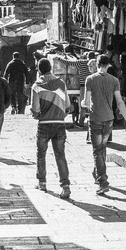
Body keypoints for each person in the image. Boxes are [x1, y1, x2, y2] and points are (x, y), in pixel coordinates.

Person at [83, 55, 126, 193]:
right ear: (108, 65)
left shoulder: (90, 79)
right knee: (102, 148)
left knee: (97, 151)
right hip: (109, 120)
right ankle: (97, 172)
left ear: (97, 65)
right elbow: (120, 102)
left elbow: (86, 102)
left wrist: (83, 104)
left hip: (95, 119)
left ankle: (103, 181)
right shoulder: (114, 80)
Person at [30, 59, 71, 197]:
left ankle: (42, 183)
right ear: (51, 68)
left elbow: (35, 109)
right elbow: (67, 106)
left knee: (41, 154)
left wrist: (36, 114)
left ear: (39, 69)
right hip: (59, 123)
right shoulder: (61, 83)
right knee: (60, 156)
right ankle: (65, 186)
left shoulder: (37, 86)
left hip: (44, 125)